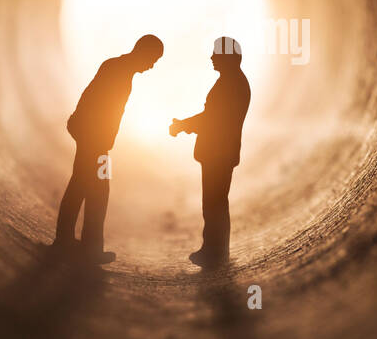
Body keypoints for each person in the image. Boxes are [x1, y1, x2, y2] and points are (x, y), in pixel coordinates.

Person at [53, 34, 163, 264]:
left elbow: (92, 97)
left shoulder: (119, 68)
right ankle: (88, 249)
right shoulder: (118, 70)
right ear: (142, 52)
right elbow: (93, 99)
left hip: (95, 139)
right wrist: (86, 129)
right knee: (95, 191)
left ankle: (69, 242)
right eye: (152, 59)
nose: (152, 66)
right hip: (93, 139)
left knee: (82, 186)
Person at [170, 37, 251, 268]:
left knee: (214, 203)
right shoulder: (232, 81)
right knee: (215, 202)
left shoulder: (230, 84)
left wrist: (182, 125)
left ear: (228, 58)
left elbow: (211, 119)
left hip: (219, 153)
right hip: (221, 152)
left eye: (217, 54)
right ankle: (214, 250)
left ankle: (215, 253)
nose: (212, 57)